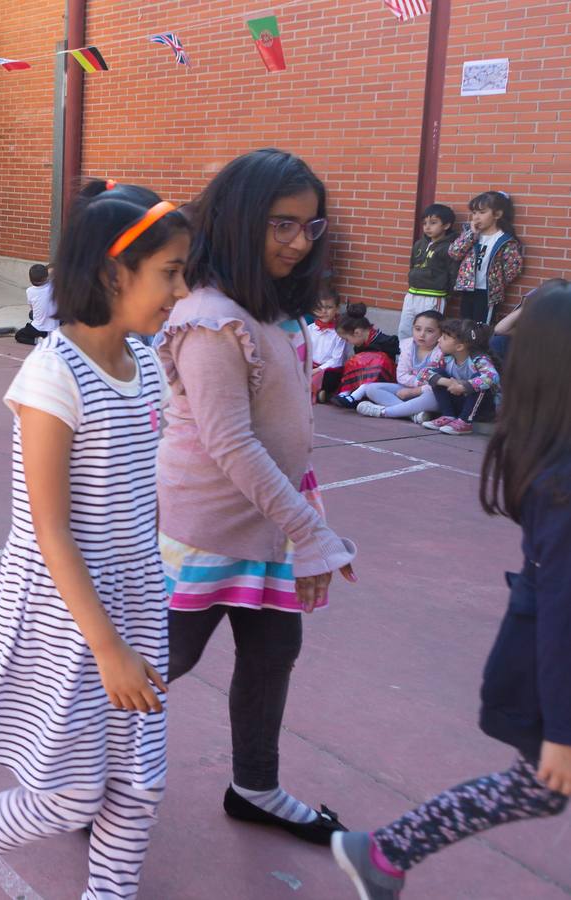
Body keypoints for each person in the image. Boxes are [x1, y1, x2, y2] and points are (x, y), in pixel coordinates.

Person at [0, 181, 188, 899]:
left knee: (140, 782)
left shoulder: (147, 364)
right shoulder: (53, 375)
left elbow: (142, 489)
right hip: (67, 614)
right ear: (112, 275)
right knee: (66, 795)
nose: (182, 289)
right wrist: (107, 645)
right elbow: (51, 529)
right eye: (171, 272)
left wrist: (154, 585)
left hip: (134, 598)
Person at [332, 280, 571, 899]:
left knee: (536, 793)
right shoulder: (560, 480)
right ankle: (386, 849)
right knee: (538, 788)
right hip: (553, 679)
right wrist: (562, 732)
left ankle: (385, 850)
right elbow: (562, 615)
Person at [158, 149, 357, 846]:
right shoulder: (211, 318)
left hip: (268, 528)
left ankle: (255, 787)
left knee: (274, 650)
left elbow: (288, 433)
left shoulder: (273, 311)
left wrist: (305, 525)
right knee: (162, 662)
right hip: (203, 532)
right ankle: (80, 771)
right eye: (282, 225)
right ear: (241, 221)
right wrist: (311, 533)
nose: (299, 243)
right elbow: (231, 444)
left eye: (309, 227)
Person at [348, 310, 444, 420]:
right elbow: (402, 376)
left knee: (433, 397)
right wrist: (414, 386)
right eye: (418, 329)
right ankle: (413, 415)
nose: (422, 334)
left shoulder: (442, 352)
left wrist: (414, 391)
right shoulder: (407, 346)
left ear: (440, 334)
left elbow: (438, 383)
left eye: (429, 331)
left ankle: (384, 412)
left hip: (426, 393)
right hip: (404, 389)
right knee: (371, 389)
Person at [449, 191, 523, 325]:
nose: (476, 217)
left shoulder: (505, 240)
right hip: (468, 289)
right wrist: (471, 235)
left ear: (497, 214)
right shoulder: (470, 234)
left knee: (481, 328)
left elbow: (512, 269)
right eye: (474, 213)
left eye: (482, 213)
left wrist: (496, 280)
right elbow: (454, 253)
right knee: (465, 326)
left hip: (487, 294)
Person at [421, 318, 500, 437]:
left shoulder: (478, 359)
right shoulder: (446, 357)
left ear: (459, 347)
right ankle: (448, 415)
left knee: (479, 378)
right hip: (460, 401)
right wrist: (448, 382)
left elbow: (492, 377)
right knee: (437, 373)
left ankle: (465, 422)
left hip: (483, 409)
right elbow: (423, 372)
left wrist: (464, 386)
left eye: (444, 337)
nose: (439, 340)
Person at [397, 204, 458, 340]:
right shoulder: (419, 244)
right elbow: (413, 265)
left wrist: (447, 295)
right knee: (405, 330)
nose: (427, 227)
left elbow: (453, 273)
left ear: (446, 225)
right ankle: (402, 359)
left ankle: (430, 361)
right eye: (425, 223)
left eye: (433, 223)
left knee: (429, 334)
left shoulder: (449, 247)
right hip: (412, 295)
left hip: (433, 297)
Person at [326, 303, 400, 403]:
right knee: (353, 360)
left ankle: (355, 397)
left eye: (347, 339)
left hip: (384, 378)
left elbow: (402, 352)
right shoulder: (359, 346)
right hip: (366, 379)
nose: (348, 342)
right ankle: (344, 393)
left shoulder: (385, 341)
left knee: (379, 358)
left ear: (357, 333)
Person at [308, 284, 346, 401]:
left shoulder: (339, 333)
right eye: (320, 307)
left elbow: (337, 360)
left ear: (337, 308)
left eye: (329, 307)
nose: (324, 311)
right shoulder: (309, 329)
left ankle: (317, 392)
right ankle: (316, 393)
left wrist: (318, 370)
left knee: (329, 379)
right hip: (310, 366)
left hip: (328, 370)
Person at [14, 263, 57, 345]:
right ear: (47, 277)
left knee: (19, 335)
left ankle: (39, 342)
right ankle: (51, 338)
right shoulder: (54, 287)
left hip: (38, 329)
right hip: (54, 329)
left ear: (30, 280)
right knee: (32, 314)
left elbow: (32, 308)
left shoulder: (29, 291)